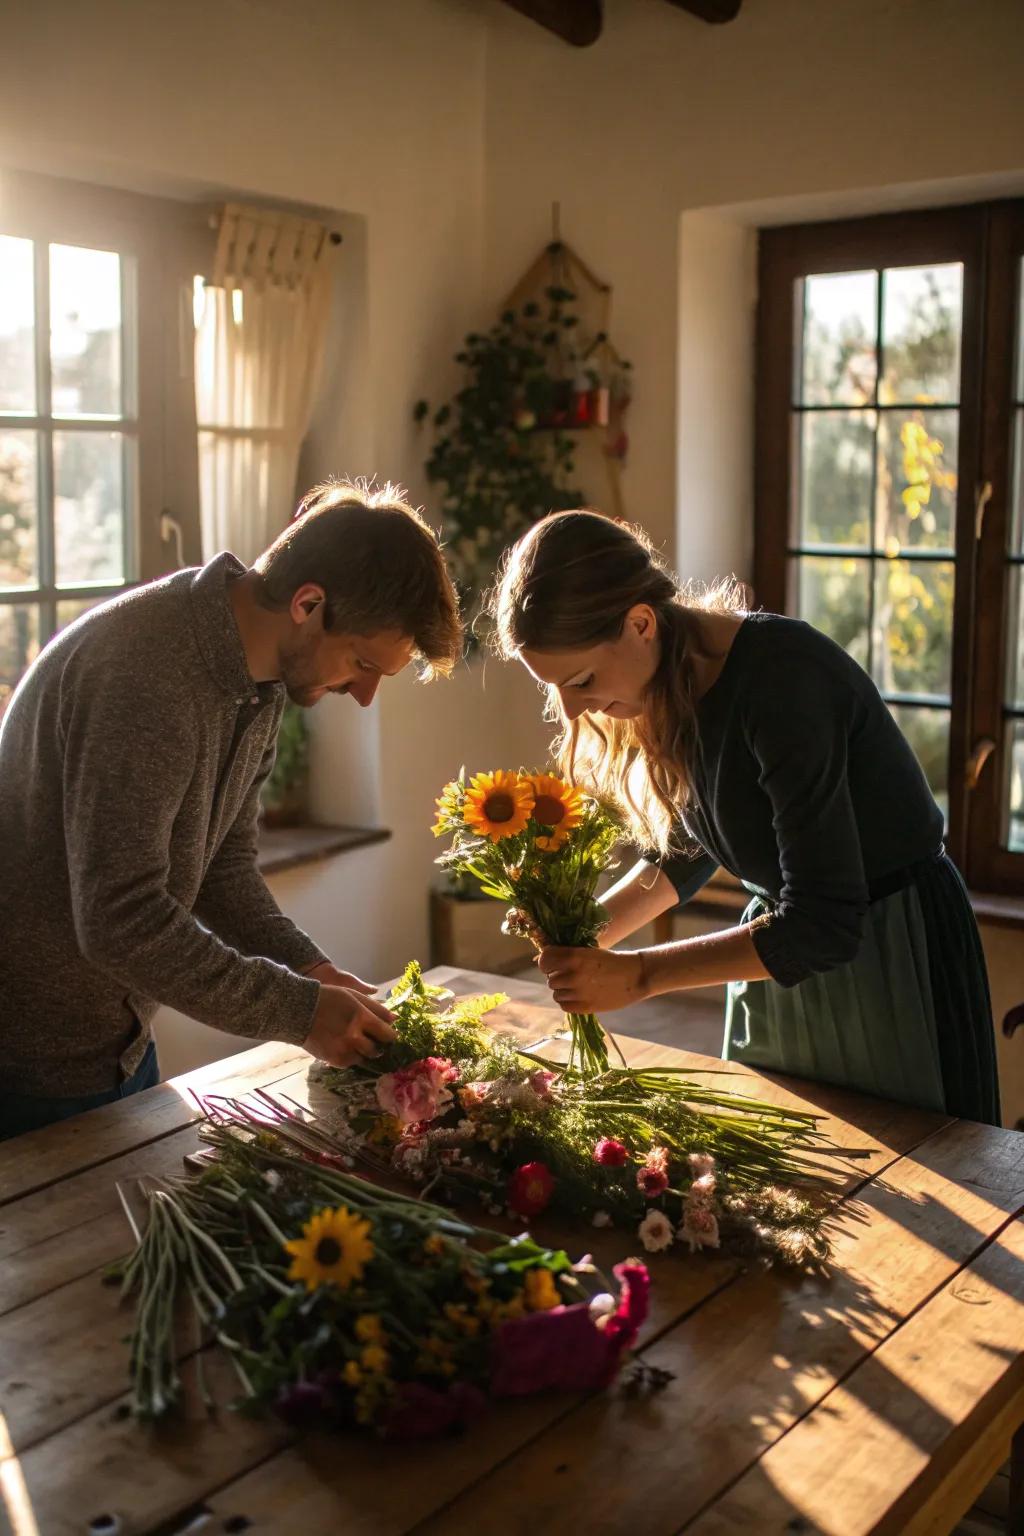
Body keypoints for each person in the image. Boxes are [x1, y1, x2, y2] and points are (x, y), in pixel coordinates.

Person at [490, 509, 1000, 1125]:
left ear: (641, 622)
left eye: (581, 681)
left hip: (891, 958)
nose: (572, 712)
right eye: (557, 690)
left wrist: (641, 976)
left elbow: (824, 924)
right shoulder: (678, 680)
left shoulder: (785, 682)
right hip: (780, 959)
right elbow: (695, 843)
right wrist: (588, 937)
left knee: (916, 1178)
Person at [0, 479, 462, 1139]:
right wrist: (300, 1012)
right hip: (24, 1068)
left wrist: (309, 968)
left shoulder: (262, 681)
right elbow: (119, 918)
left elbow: (224, 867)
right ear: (309, 603)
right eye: (362, 663)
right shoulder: (147, 675)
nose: (363, 696)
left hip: (116, 1048)